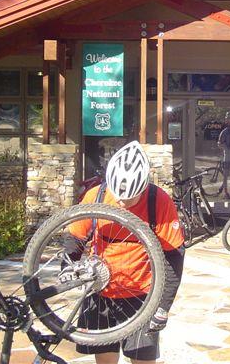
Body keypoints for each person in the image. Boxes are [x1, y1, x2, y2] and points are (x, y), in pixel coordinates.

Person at [68, 141, 185, 364]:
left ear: (143, 187)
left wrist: (163, 306)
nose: (121, 201)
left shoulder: (158, 201)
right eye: (118, 193)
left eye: (130, 197)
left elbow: (174, 258)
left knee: (142, 361)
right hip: (100, 292)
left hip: (142, 296)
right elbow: (74, 240)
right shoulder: (97, 195)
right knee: (105, 360)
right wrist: (67, 268)